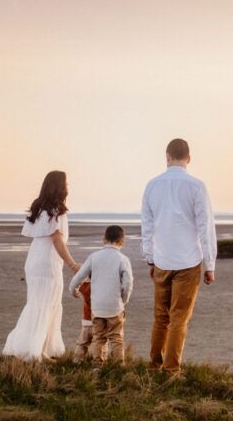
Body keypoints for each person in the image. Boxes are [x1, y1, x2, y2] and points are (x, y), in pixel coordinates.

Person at [140, 138, 217, 375]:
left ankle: (155, 365)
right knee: (178, 319)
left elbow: (147, 226)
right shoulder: (196, 186)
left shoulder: (152, 185)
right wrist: (210, 264)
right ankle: (171, 370)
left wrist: (150, 258)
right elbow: (205, 227)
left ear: (167, 156)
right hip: (188, 261)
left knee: (161, 317)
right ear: (189, 158)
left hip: (162, 259)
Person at [3, 171, 80, 360]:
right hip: (48, 263)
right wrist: (72, 264)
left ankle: (38, 348)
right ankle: (37, 351)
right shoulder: (56, 209)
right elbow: (57, 240)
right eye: (66, 183)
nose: (68, 187)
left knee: (38, 303)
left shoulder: (39, 207)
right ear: (59, 186)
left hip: (35, 260)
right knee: (47, 304)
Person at [68, 225, 133, 365]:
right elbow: (128, 283)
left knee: (98, 337)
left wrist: (73, 290)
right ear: (122, 242)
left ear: (104, 240)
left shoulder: (93, 257)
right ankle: (117, 366)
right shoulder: (123, 259)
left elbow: (78, 278)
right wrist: (124, 299)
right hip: (115, 307)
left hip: (97, 308)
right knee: (116, 337)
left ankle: (97, 366)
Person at [73, 282, 94, 362]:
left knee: (82, 343)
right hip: (99, 322)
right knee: (100, 343)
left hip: (86, 322)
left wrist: (75, 292)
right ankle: (100, 360)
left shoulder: (85, 286)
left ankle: (77, 360)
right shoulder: (100, 287)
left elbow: (77, 283)